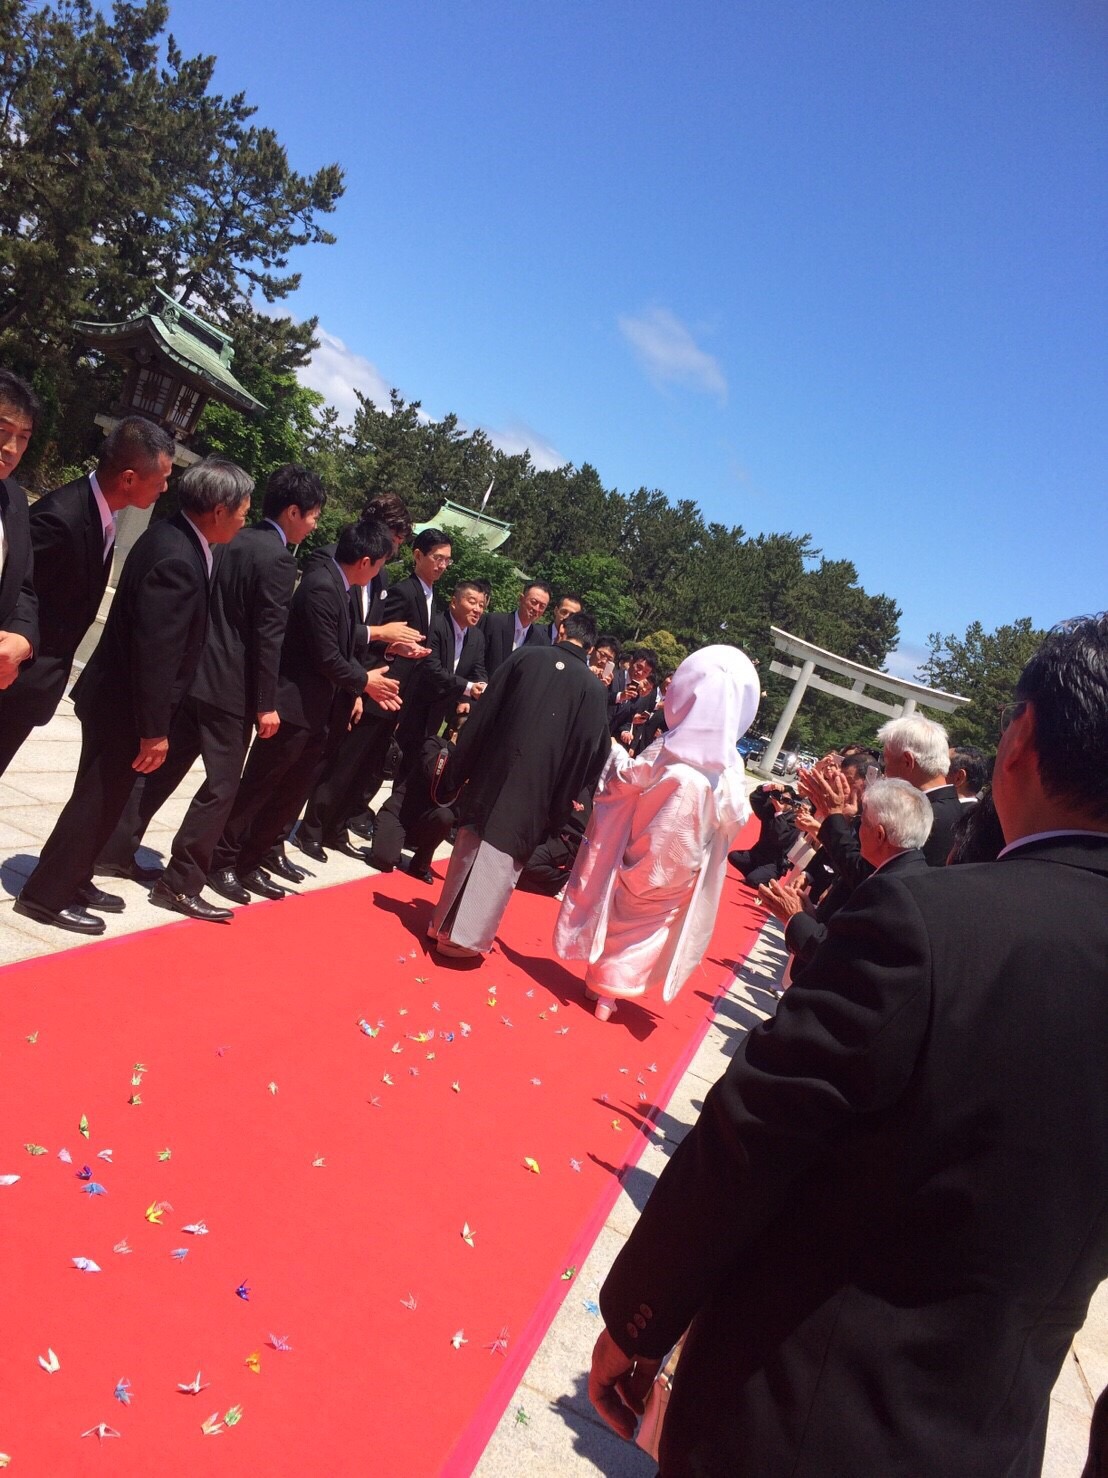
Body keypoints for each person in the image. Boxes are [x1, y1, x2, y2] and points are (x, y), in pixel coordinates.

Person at [589, 612, 1108, 1477]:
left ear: (1020, 739)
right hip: (991, 1436)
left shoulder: (936, 920)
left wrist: (642, 1314)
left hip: (802, 1406)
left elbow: (753, 1130)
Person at [15, 456, 253, 934]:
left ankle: (74, 876)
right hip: (124, 705)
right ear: (219, 509)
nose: (246, 518)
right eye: (244, 509)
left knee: (103, 797)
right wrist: (154, 731)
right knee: (97, 800)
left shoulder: (178, 537)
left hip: (116, 697)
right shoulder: (177, 557)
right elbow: (156, 655)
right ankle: (46, 896)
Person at [95, 464, 326, 920]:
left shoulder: (227, 536)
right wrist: (266, 703)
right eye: (314, 515)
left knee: (162, 770)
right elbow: (267, 636)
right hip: (229, 689)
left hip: (195, 674)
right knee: (222, 787)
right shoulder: (278, 559)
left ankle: (113, 849)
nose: (315, 524)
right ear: (294, 512)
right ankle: (180, 882)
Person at [555, 645, 759, 1021]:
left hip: (643, 844)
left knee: (623, 908)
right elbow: (736, 816)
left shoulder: (669, 747)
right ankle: (610, 993)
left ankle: (599, 982)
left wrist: (615, 753)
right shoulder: (731, 766)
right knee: (651, 926)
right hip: (684, 861)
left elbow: (625, 780)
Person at [208, 519, 399, 902]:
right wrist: (365, 682)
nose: (380, 573)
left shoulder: (342, 587)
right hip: (292, 707)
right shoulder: (321, 586)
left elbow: (341, 648)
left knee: (287, 793)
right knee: (259, 789)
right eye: (380, 564)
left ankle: (251, 860)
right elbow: (327, 656)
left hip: (317, 713)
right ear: (365, 561)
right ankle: (221, 861)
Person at [427, 610, 611, 959]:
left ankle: (441, 923)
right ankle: (467, 939)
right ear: (590, 646)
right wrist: (562, 801)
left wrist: (461, 765)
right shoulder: (591, 688)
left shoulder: (526, 656)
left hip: (492, 770)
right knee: (502, 856)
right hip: (539, 787)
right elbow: (590, 753)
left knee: (471, 842)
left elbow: (483, 714)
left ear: (561, 630)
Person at [0, 415, 174, 777]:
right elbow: (16, 594)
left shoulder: (103, 517)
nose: (165, 489)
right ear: (129, 478)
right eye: (161, 480)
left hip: (30, 690)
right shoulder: (60, 518)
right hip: (11, 686)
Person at [295, 492, 420, 859]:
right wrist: (380, 637)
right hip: (316, 681)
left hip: (353, 680)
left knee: (334, 762)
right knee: (302, 768)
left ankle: (320, 829)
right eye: (395, 539)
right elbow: (338, 630)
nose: (394, 549)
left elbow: (366, 636)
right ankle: (302, 831)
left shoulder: (380, 578)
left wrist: (389, 651)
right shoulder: (331, 561)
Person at [758, 776, 932, 971]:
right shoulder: (903, 872)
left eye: (862, 824)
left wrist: (794, 917)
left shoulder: (890, 891)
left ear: (879, 835)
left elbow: (841, 960)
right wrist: (812, 917)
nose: (856, 834)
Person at [0, 369, 41, 697]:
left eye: (23, 437)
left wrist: (23, 639)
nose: (11, 448)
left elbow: (23, 587)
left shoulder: (14, 498)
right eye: (2, 431)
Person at [876, 712, 963, 865]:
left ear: (907, 761)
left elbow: (883, 873)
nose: (885, 773)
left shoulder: (924, 815)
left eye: (887, 763)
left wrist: (835, 816)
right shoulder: (957, 811)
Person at [482, 580, 551, 673]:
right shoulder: (493, 622)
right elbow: (476, 658)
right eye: (534, 602)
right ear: (521, 598)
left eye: (542, 606)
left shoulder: (538, 641)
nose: (536, 609)